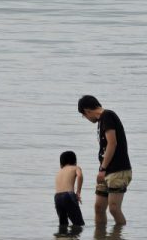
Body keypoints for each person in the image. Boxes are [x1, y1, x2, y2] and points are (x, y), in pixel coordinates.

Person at [77, 95, 132, 226]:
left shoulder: (107, 116)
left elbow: (112, 143)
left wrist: (102, 169)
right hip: (106, 170)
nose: (86, 118)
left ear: (87, 110)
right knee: (99, 208)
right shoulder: (102, 120)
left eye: (84, 115)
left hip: (118, 170)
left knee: (114, 208)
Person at [54, 150, 85, 227]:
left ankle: (62, 238)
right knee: (78, 223)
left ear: (61, 164)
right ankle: (76, 237)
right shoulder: (75, 168)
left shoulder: (60, 171)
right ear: (75, 161)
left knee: (63, 224)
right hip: (68, 195)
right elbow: (80, 176)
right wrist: (78, 192)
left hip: (57, 197)